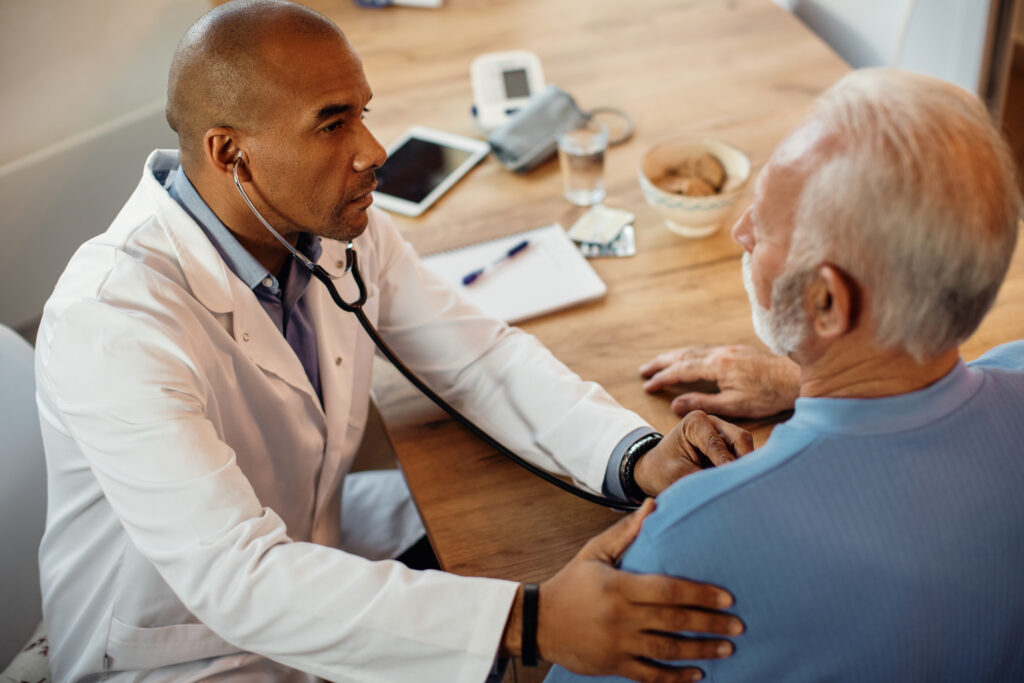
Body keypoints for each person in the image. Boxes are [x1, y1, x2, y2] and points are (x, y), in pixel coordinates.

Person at [34, 2, 752, 681]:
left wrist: (633, 456)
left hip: (312, 542)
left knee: (513, 535)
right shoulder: (113, 320)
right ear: (232, 154)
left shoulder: (329, 230)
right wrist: (527, 619)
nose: (373, 150)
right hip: (176, 650)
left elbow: (478, 358)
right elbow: (236, 578)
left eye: (364, 114)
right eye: (332, 124)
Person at [547, 68, 1024, 682]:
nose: (741, 230)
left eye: (765, 224)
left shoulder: (687, 546)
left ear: (827, 304)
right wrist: (802, 379)